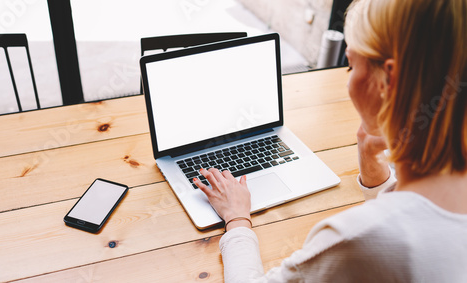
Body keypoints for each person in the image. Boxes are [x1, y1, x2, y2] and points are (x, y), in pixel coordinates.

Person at [193, 0, 467, 281]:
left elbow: (387, 232)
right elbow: (409, 216)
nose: (348, 81)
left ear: (387, 80)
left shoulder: (352, 239)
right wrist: (372, 158)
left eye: (350, 65)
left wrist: (237, 218)